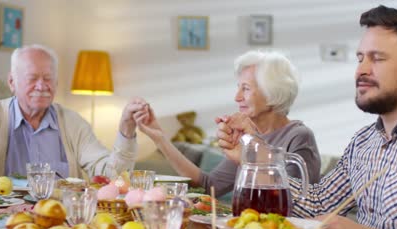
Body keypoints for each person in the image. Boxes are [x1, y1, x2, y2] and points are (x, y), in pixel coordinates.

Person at [217, 6, 397, 229]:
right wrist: (254, 156)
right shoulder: (363, 142)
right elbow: (319, 204)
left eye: (377, 58)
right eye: (359, 58)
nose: (361, 70)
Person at [133, 50, 322, 197]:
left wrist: (249, 152)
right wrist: (160, 139)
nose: (237, 97)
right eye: (238, 88)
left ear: (272, 92)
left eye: (245, 89)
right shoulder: (246, 136)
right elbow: (209, 186)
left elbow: (294, 199)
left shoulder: (298, 136)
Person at [0, 44, 144, 181]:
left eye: (48, 78)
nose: (41, 85)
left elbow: (113, 177)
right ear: (11, 82)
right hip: (3, 222)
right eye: (32, 78)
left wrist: (126, 131)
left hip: (61, 221)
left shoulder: (73, 123)